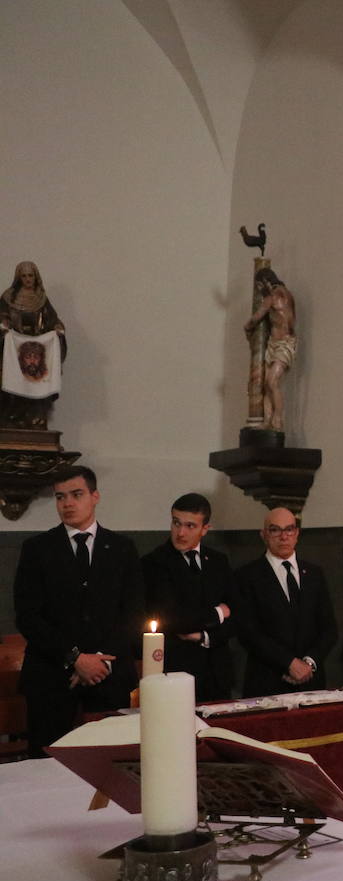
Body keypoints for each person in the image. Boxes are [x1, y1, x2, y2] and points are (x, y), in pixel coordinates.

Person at [15, 466, 142, 754]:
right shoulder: (37, 549)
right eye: (60, 497)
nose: (67, 503)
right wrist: (75, 658)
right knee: (47, 762)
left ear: (95, 496)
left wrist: (100, 661)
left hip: (109, 675)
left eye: (76, 494)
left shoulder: (122, 548)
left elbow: (132, 612)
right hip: (51, 675)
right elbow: (28, 616)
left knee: (111, 762)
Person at [141, 494, 238, 702]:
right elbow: (171, 618)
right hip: (175, 673)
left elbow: (238, 615)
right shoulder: (153, 563)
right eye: (176, 523)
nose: (180, 532)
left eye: (190, 526)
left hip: (217, 674)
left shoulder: (218, 561)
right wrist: (218, 612)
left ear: (205, 529)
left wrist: (204, 637)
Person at [234, 507, 336, 697]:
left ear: (296, 534)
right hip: (267, 682)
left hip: (311, 683)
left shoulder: (314, 574)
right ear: (263, 535)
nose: (283, 536)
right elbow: (248, 633)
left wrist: (308, 663)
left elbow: (329, 629)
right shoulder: (247, 576)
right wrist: (289, 663)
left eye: (289, 529)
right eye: (275, 530)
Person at [0, 260, 67, 429]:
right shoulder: (8, 297)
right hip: (14, 349)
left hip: (36, 349)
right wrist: (4, 323)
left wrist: (57, 327)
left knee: (35, 378)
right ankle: (12, 415)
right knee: (12, 379)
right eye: (24, 276)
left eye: (30, 275)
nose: (28, 279)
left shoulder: (41, 299)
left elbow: (52, 319)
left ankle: (35, 416)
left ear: (36, 277)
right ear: (18, 278)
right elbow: (2, 315)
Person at [244, 267, 296, 432]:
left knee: (272, 382)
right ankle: (268, 421)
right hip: (273, 343)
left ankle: (278, 421)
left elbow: (256, 317)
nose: (259, 290)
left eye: (259, 286)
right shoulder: (284, 294)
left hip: (285, 343)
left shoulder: (274, 296)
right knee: (267, 384)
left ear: (264, 282)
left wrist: (247, 326)